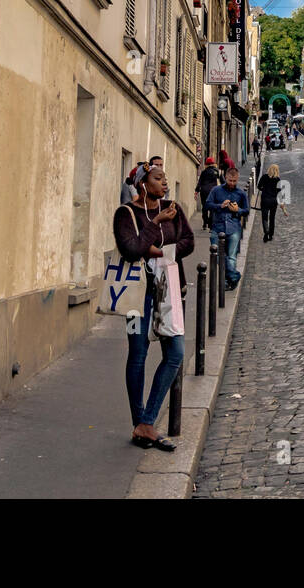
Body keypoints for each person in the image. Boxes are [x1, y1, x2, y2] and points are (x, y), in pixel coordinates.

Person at [114, 164, 194, 452]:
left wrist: (159, 251)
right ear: (142, 184)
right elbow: (131, 249)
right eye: (158, 179)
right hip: (137, 297)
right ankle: (141, 425)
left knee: (175, 353)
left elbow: (188, 242)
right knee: (138, 354)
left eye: (165, 179)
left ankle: (146, 422)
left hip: (169, 291)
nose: (165, 184)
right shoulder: (126, 213)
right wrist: (156, 222)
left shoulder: (174, 208)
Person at [205, 167, 248, 291]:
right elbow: (207, 204)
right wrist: (220, 205)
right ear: (226, 177)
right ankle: (234, 276)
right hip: (217, 227)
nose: (232, 183)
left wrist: (237, 210)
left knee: (231, 257)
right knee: (217, 256)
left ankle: (228, 282)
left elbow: (246, 211)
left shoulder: (241, 193)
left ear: (237, 179)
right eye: (230, 180)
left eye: (235, 181)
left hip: (234, 227)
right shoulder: (216, 190)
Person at [256, 164, 285, 242]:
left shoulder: (264, 177)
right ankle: (271, 235)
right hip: (273, 201)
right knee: (272, 218)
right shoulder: (278, 179)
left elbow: (258, 186)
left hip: (265, 199)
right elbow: (279, 191)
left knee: (264, 217)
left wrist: (264, 190)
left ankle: (266, 232)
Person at [195, 157, 220, 230]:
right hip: (213, 191)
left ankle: (205, 224)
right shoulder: (216, 172)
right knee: (212, 208)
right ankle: (211, 225)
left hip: (204, 191)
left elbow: (199, 182)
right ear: (213, 164)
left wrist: (196, 191)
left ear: (206, 164)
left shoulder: (204, 172)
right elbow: (221, 180)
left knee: (205, 208)